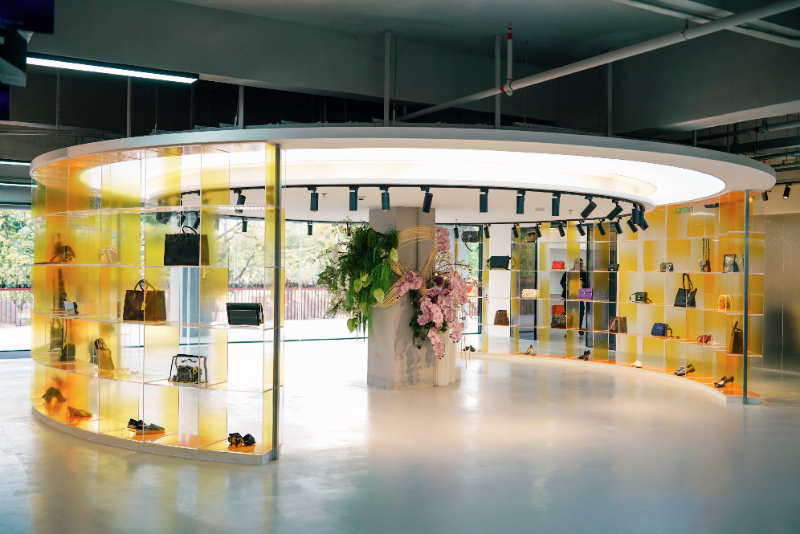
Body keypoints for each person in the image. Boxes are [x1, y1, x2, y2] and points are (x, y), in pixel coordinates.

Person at [560, 258, 589, 334]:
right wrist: (566, 287)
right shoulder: (569, 272)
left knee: (581, 313)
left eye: (582, 263)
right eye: (580, 263)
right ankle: (568, 331)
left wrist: (583, 284)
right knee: (568, 314)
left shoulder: (584, 273)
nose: (582, 265)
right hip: (569, 297)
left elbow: (588, 284)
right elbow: (562, 282)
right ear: (575, 264)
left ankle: (579, 328)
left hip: (579, 297)